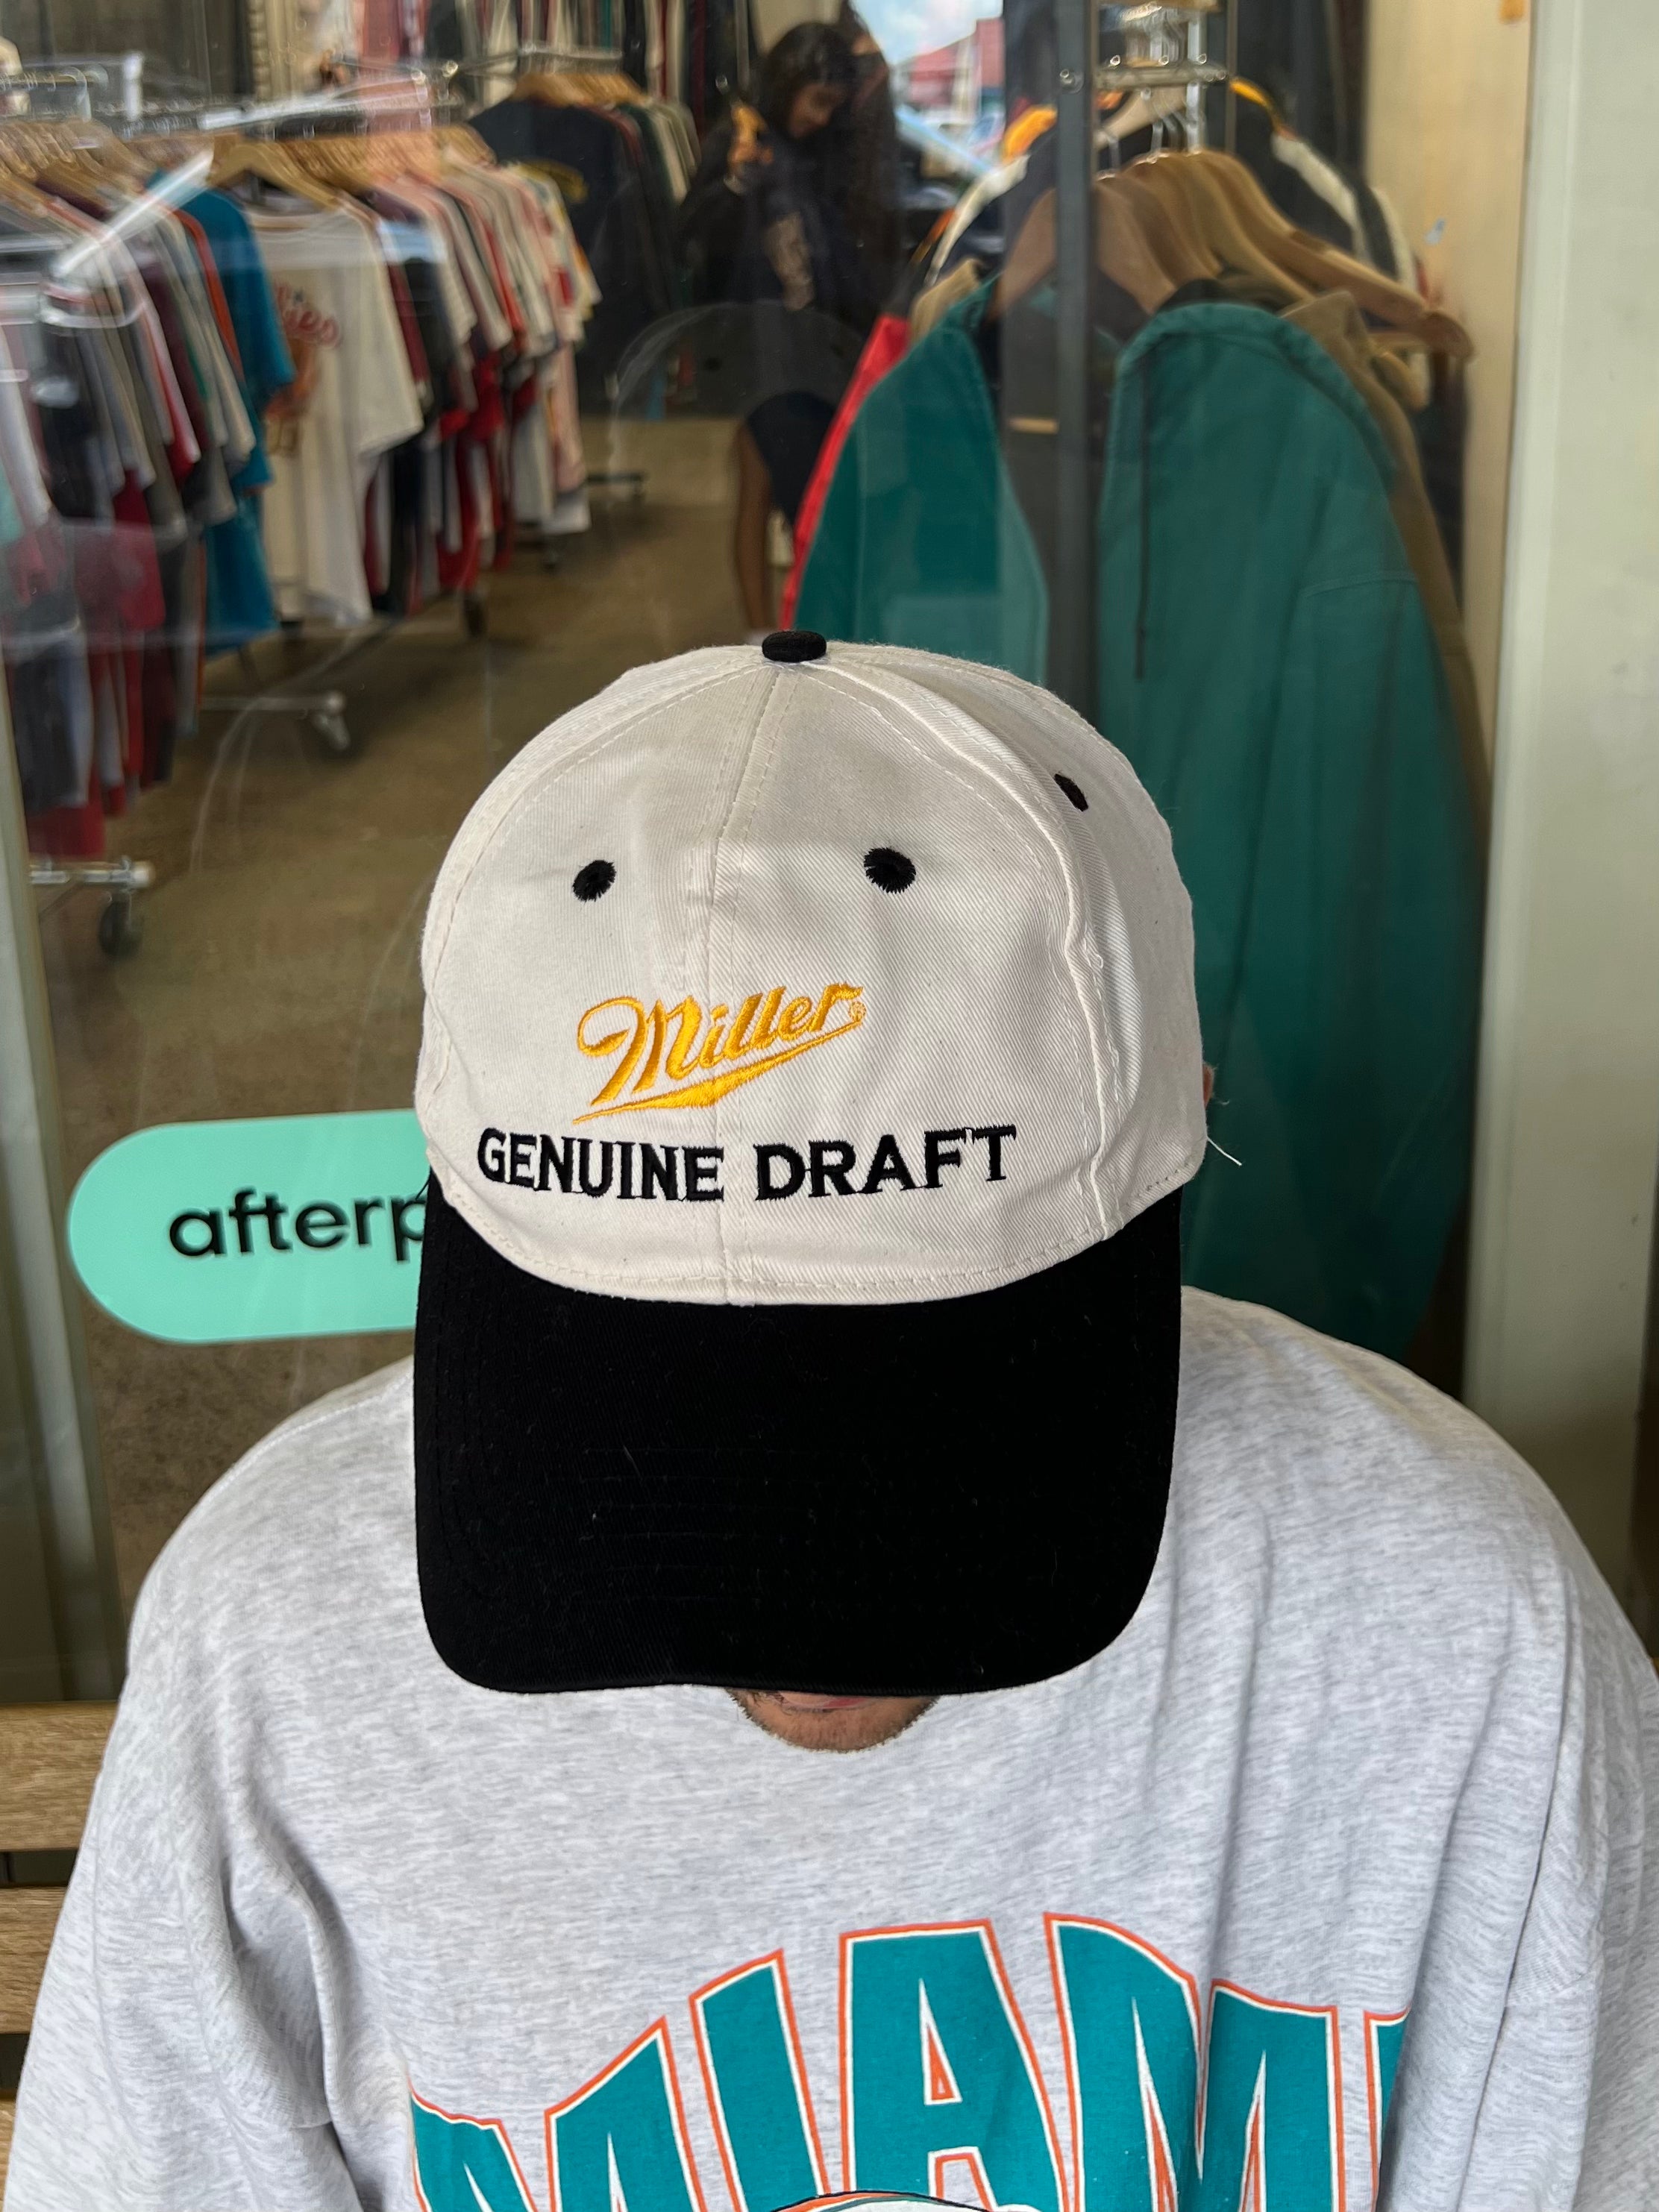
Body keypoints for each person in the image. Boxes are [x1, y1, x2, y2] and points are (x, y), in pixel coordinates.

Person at [8, 635, 1658, 2212]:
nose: (802, 1650)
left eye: (904, 1442)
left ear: (1185, 1126)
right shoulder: (278, 1646)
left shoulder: (1457, 1626)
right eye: (651, 1439)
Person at [677, 26, 894, 634]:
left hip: (811, 345)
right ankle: (781, 631)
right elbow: (690, 237)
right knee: (794, 494)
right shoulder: (740, 139)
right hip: (762, 349)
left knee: (763, 485)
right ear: (787, 81)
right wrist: (736, 181)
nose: (820, 117)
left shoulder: (815, 147)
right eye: (815, 101)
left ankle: (770, 630)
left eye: (832, 105)